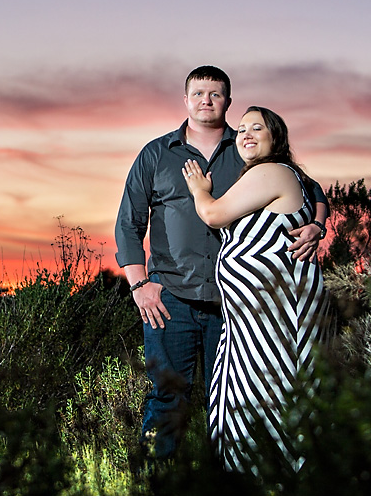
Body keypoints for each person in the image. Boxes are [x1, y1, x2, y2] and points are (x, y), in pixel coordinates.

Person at [114, 65, 328, 459]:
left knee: (232, 401)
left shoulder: (249, 148)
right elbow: (128, 223)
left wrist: (316, 223)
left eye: (215, 94)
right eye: (198, 94)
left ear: (227, 100)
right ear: (186, 100)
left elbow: (309, 186)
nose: (206, 101)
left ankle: (222, 481)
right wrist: (139, 284)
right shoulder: (157, 154)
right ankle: (151, 481)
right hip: (169, 298)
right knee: (167, 398)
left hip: (233, 306)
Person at [182, 105, 332, 475]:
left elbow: (214, 214)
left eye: (257, 128)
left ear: (274, 139)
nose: (246, 134)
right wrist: (318, 221)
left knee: (271, 394)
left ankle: (273, 479)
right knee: (257, 394)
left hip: (274, 313)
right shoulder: (273, 175)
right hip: (255, 317)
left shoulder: (271, 172)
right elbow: (315, 194)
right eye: (242, 128)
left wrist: (200, 191)